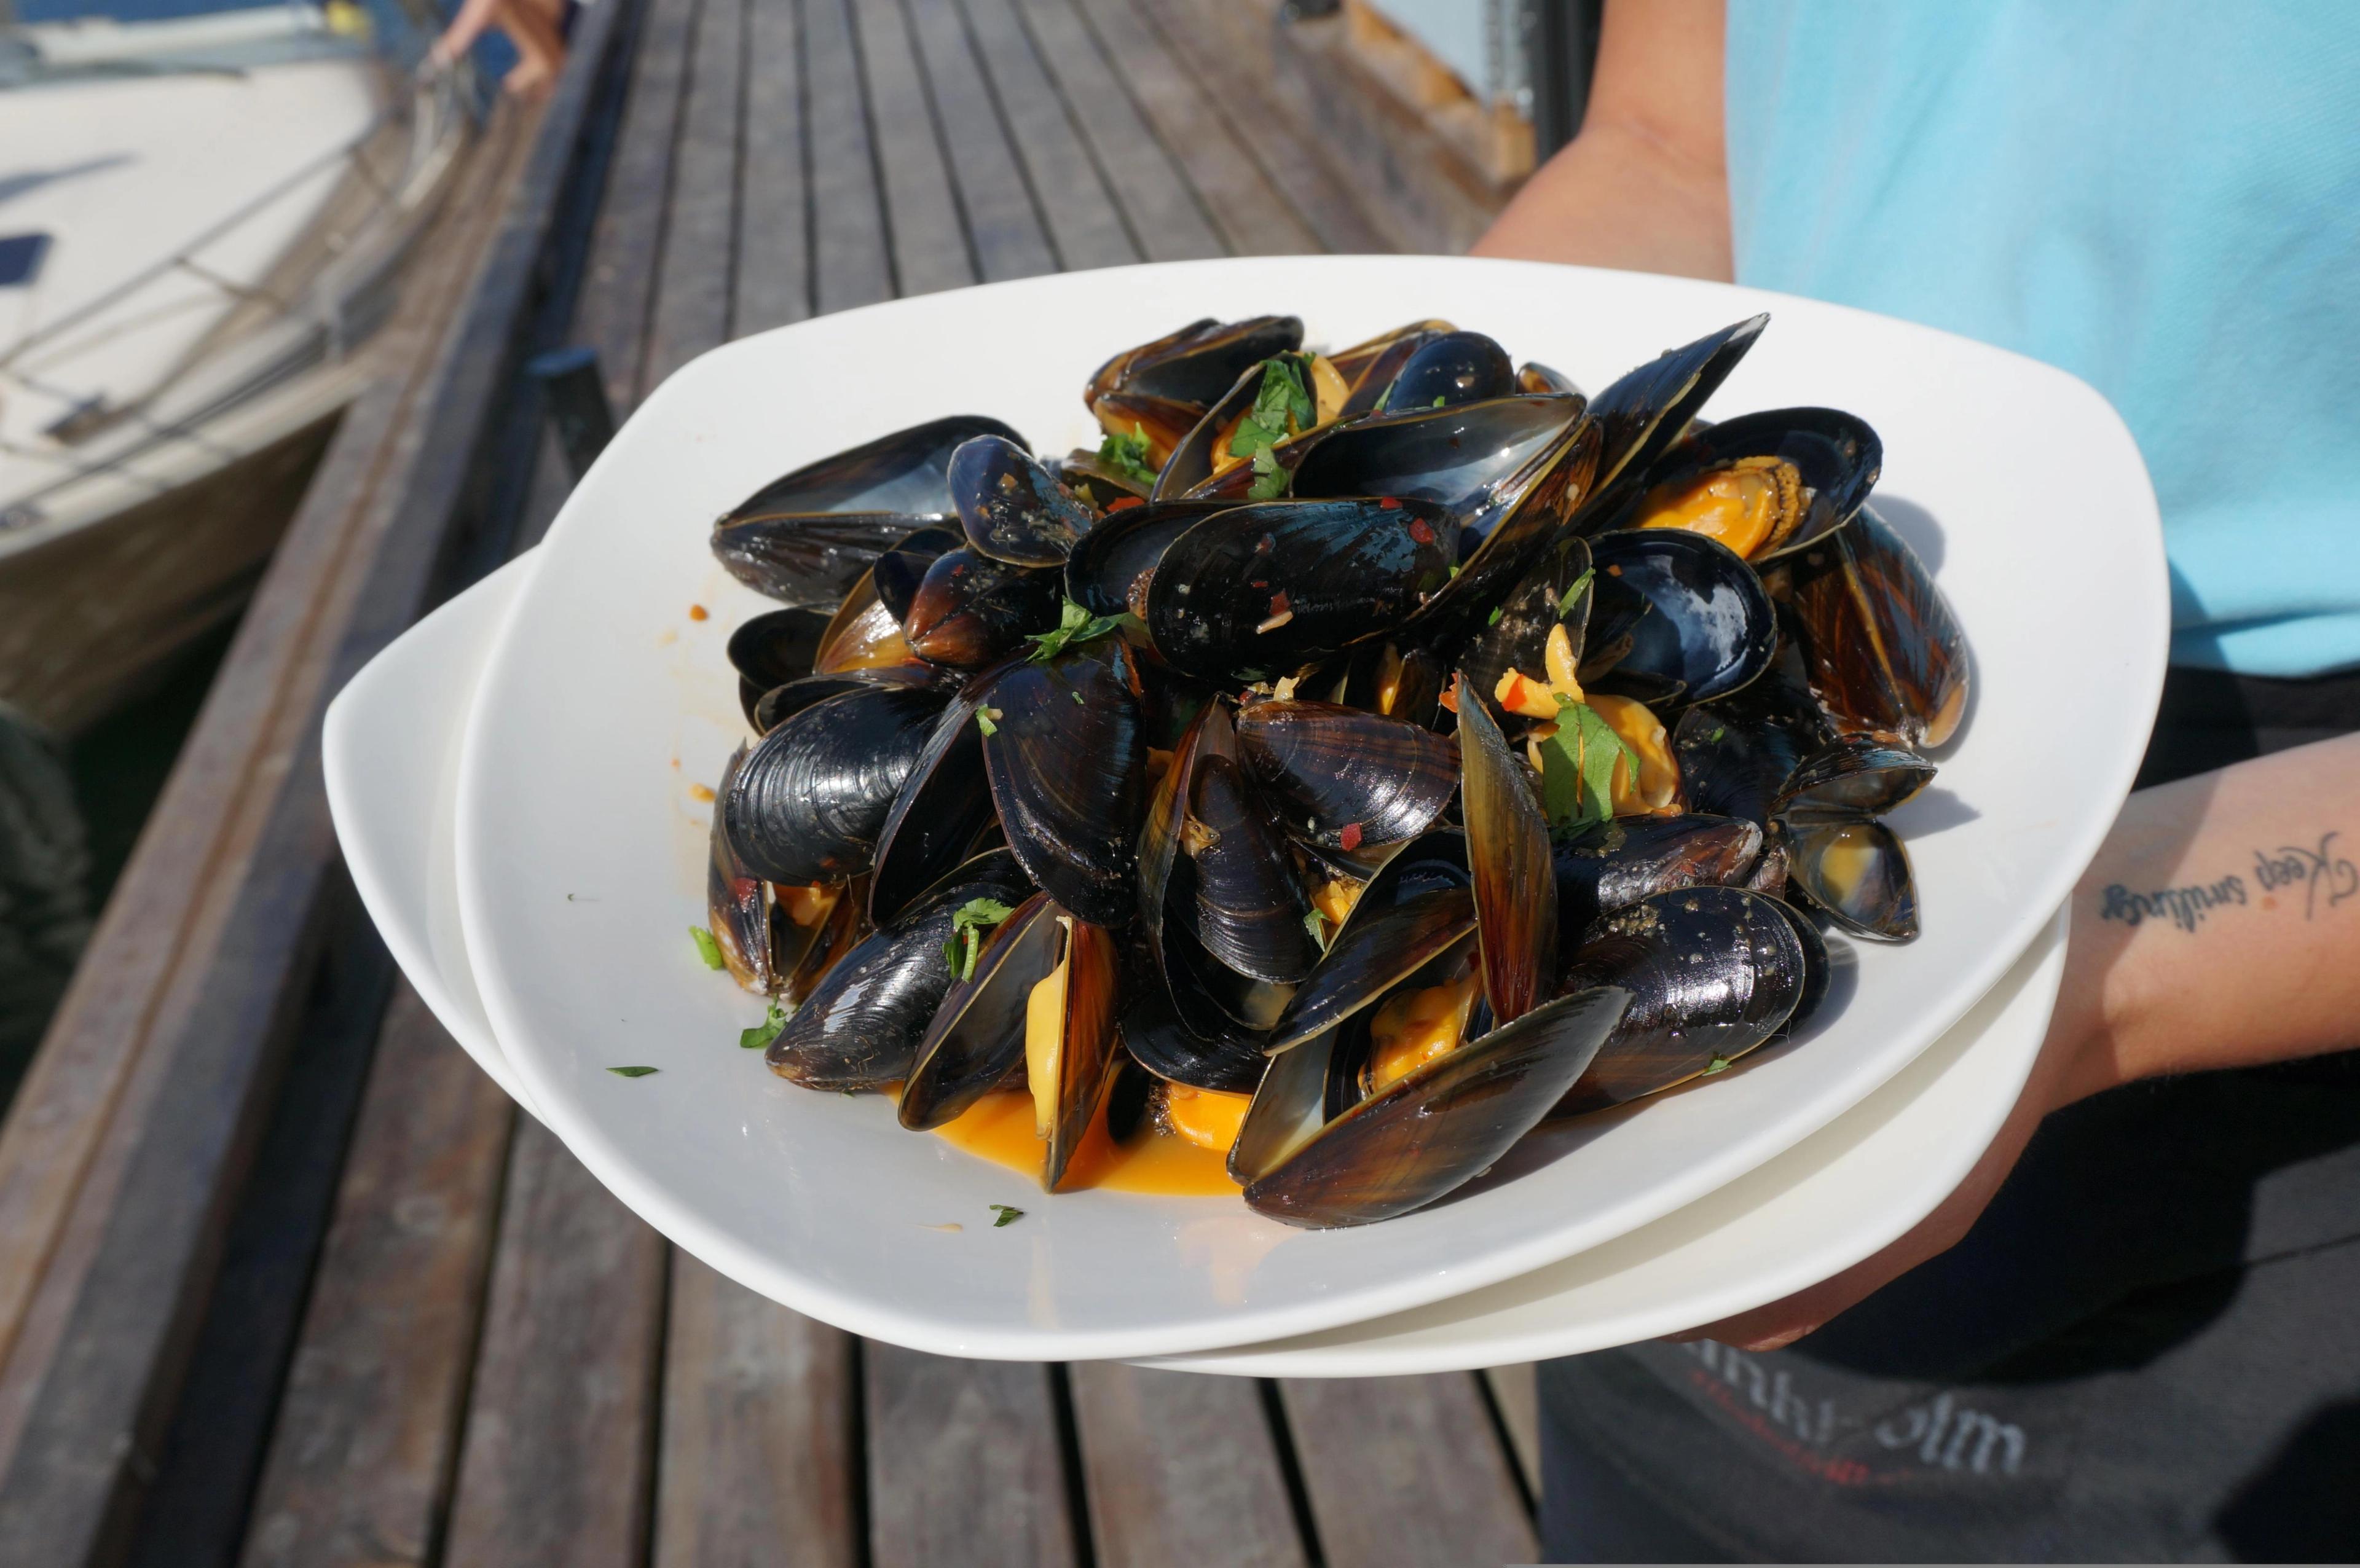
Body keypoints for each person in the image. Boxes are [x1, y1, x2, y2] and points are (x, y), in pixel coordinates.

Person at [1473, 1, 2360, 1558]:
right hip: (1729, 682)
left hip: (2258, 909)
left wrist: (2064, 974)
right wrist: (1439, 552)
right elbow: (1668, 142)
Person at [427, 0, 570, 98]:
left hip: (573, 15)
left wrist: (450, 47)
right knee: (512, 87)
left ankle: (544, 63)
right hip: (560, 22)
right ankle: (539, 60)